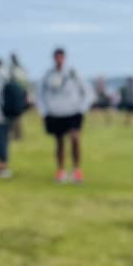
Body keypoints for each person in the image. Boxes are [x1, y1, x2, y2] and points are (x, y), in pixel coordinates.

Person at [36, 47, 94, 183]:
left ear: (64, 58)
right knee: (59, 142)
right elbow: (39, 94)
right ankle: (60, 170)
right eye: (57, 57)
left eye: (61, 57)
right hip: (55, 113)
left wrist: (82, 108)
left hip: (73, 112)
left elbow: (88, 91)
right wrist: (44, 110)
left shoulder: (73, 73)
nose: (59, 60)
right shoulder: (48, 75)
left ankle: (76, 170)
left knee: (75, 139)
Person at [9, 52, 30, 140]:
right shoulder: (12, 69)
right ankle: (14, 135)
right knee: (13, 116)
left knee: (17, 116)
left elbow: (25, 84)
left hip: (19, 94)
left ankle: (17, 135)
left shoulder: (19, 69)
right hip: (15, 94)